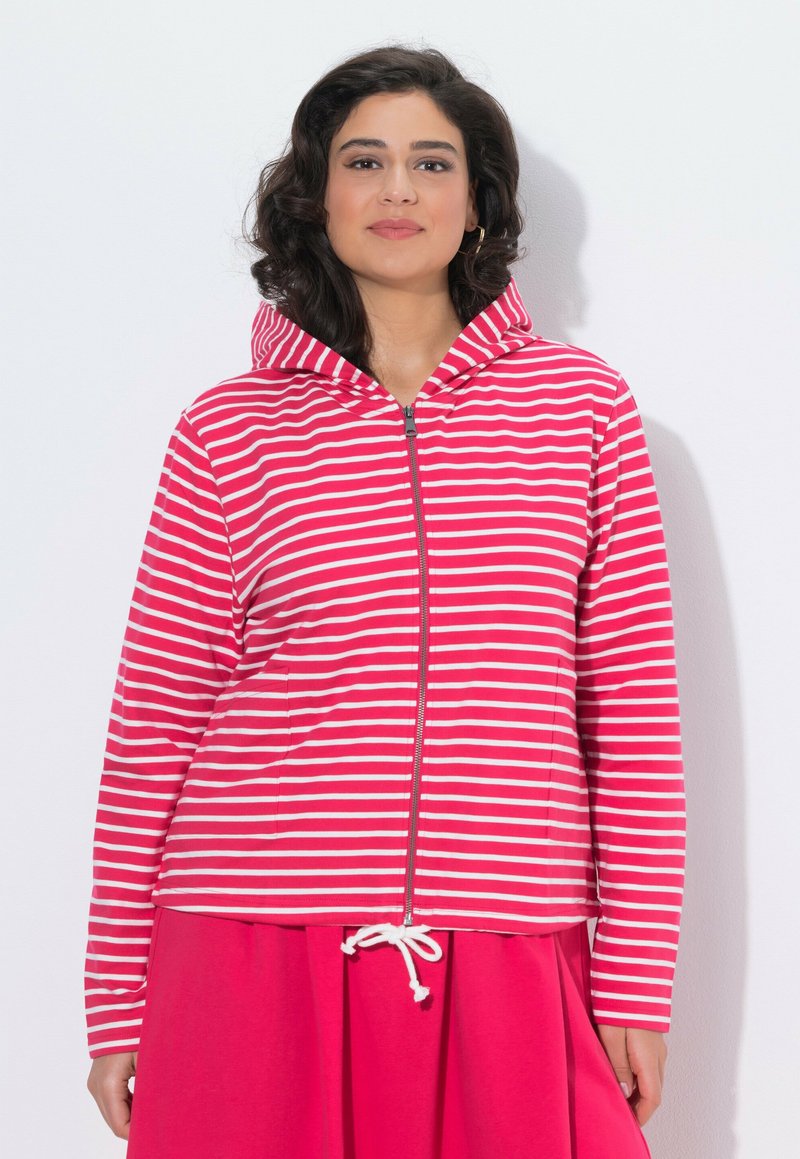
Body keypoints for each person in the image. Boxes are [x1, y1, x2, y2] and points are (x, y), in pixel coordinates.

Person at [85, 43, 686, 1159]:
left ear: (477, 200)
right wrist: (117, 999)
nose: (397, 188)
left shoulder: (581, 411)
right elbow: (155, 724)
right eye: (363, 161)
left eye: (431, 162)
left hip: (507, 935)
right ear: (317, 198)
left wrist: (634, 980)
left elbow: (633, 716)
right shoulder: (227, 429)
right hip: (250, 935)